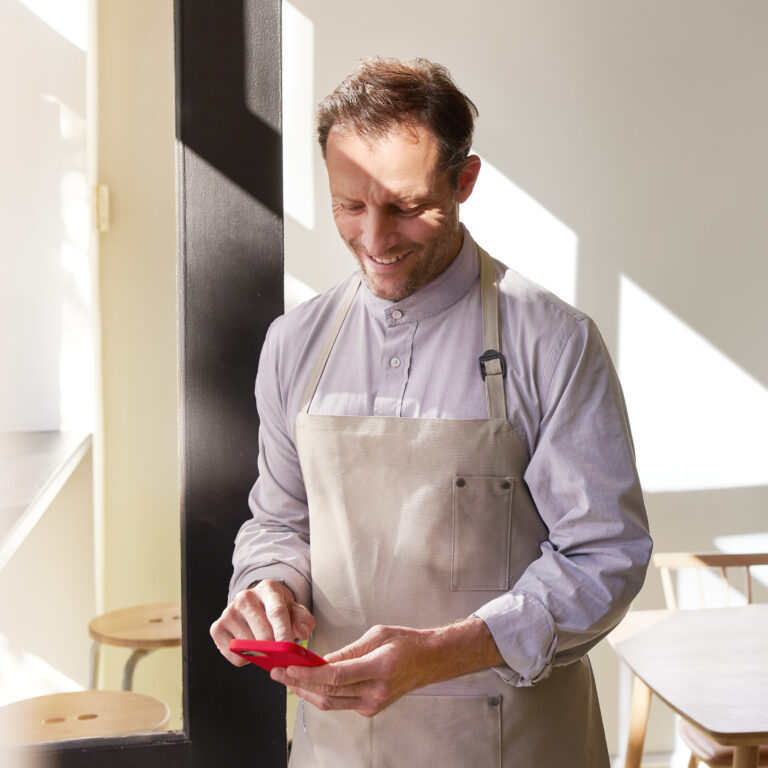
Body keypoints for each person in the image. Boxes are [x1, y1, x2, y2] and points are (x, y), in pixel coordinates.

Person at [210, 56, 652, 767]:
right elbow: (280, 520)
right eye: (350, 205)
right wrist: (269, 587)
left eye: (407, 207)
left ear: (465, 180)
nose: (376, 240)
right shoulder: (296, 343)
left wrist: (445, 653)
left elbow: (604, 555)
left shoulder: (553, 340)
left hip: (518, 744)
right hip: (341, 747)